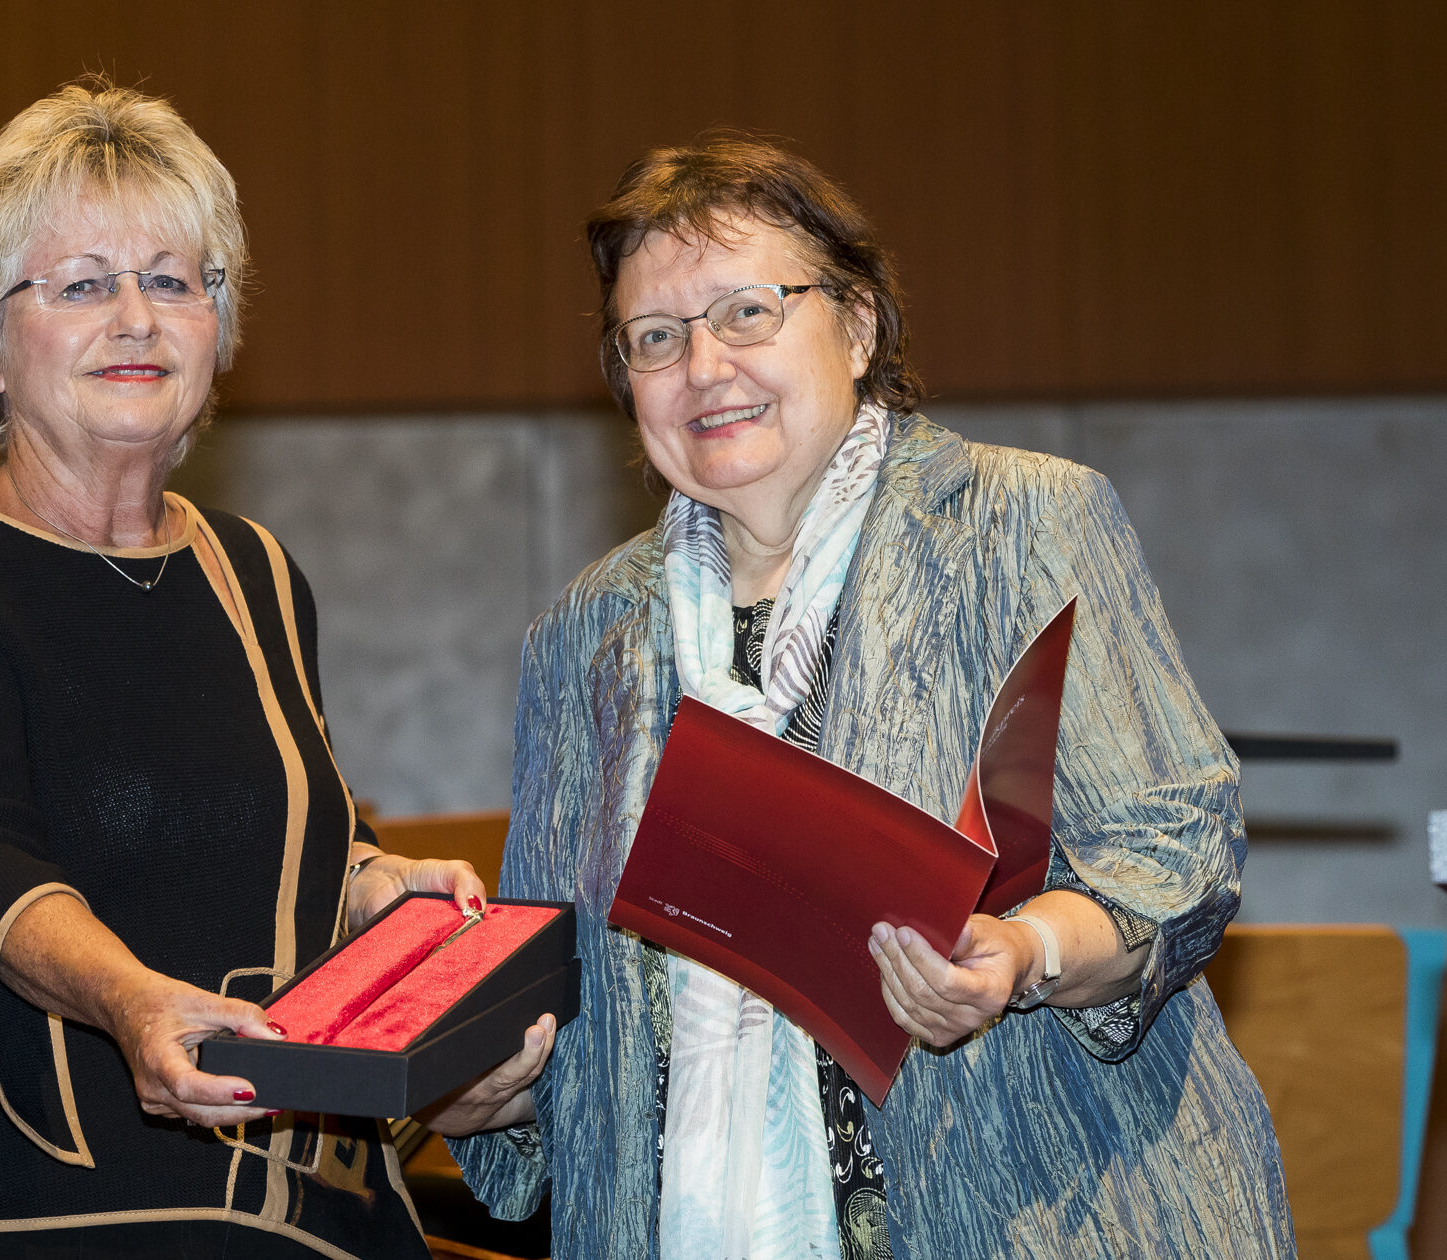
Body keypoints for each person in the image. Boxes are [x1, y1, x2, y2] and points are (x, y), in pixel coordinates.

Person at [439, 137, 1297, 1259]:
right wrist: (482, 1087)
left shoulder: (1018, 523)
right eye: (656, 338)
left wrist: (1021, 955)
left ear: (857, 324)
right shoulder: (587, 633)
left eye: (748, 312)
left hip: (1044, 1213)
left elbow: (1172, 856)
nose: (703, 366)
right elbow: (565, 1006)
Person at [0, 81, 483, 1259]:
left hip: (305, 1200)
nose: (137, 318)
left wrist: (373, 887)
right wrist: (130, 999)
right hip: (36, 1209)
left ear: (218, 335)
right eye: (82, 285)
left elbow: (259, 833)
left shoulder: (257, 573)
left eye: (173, 281)